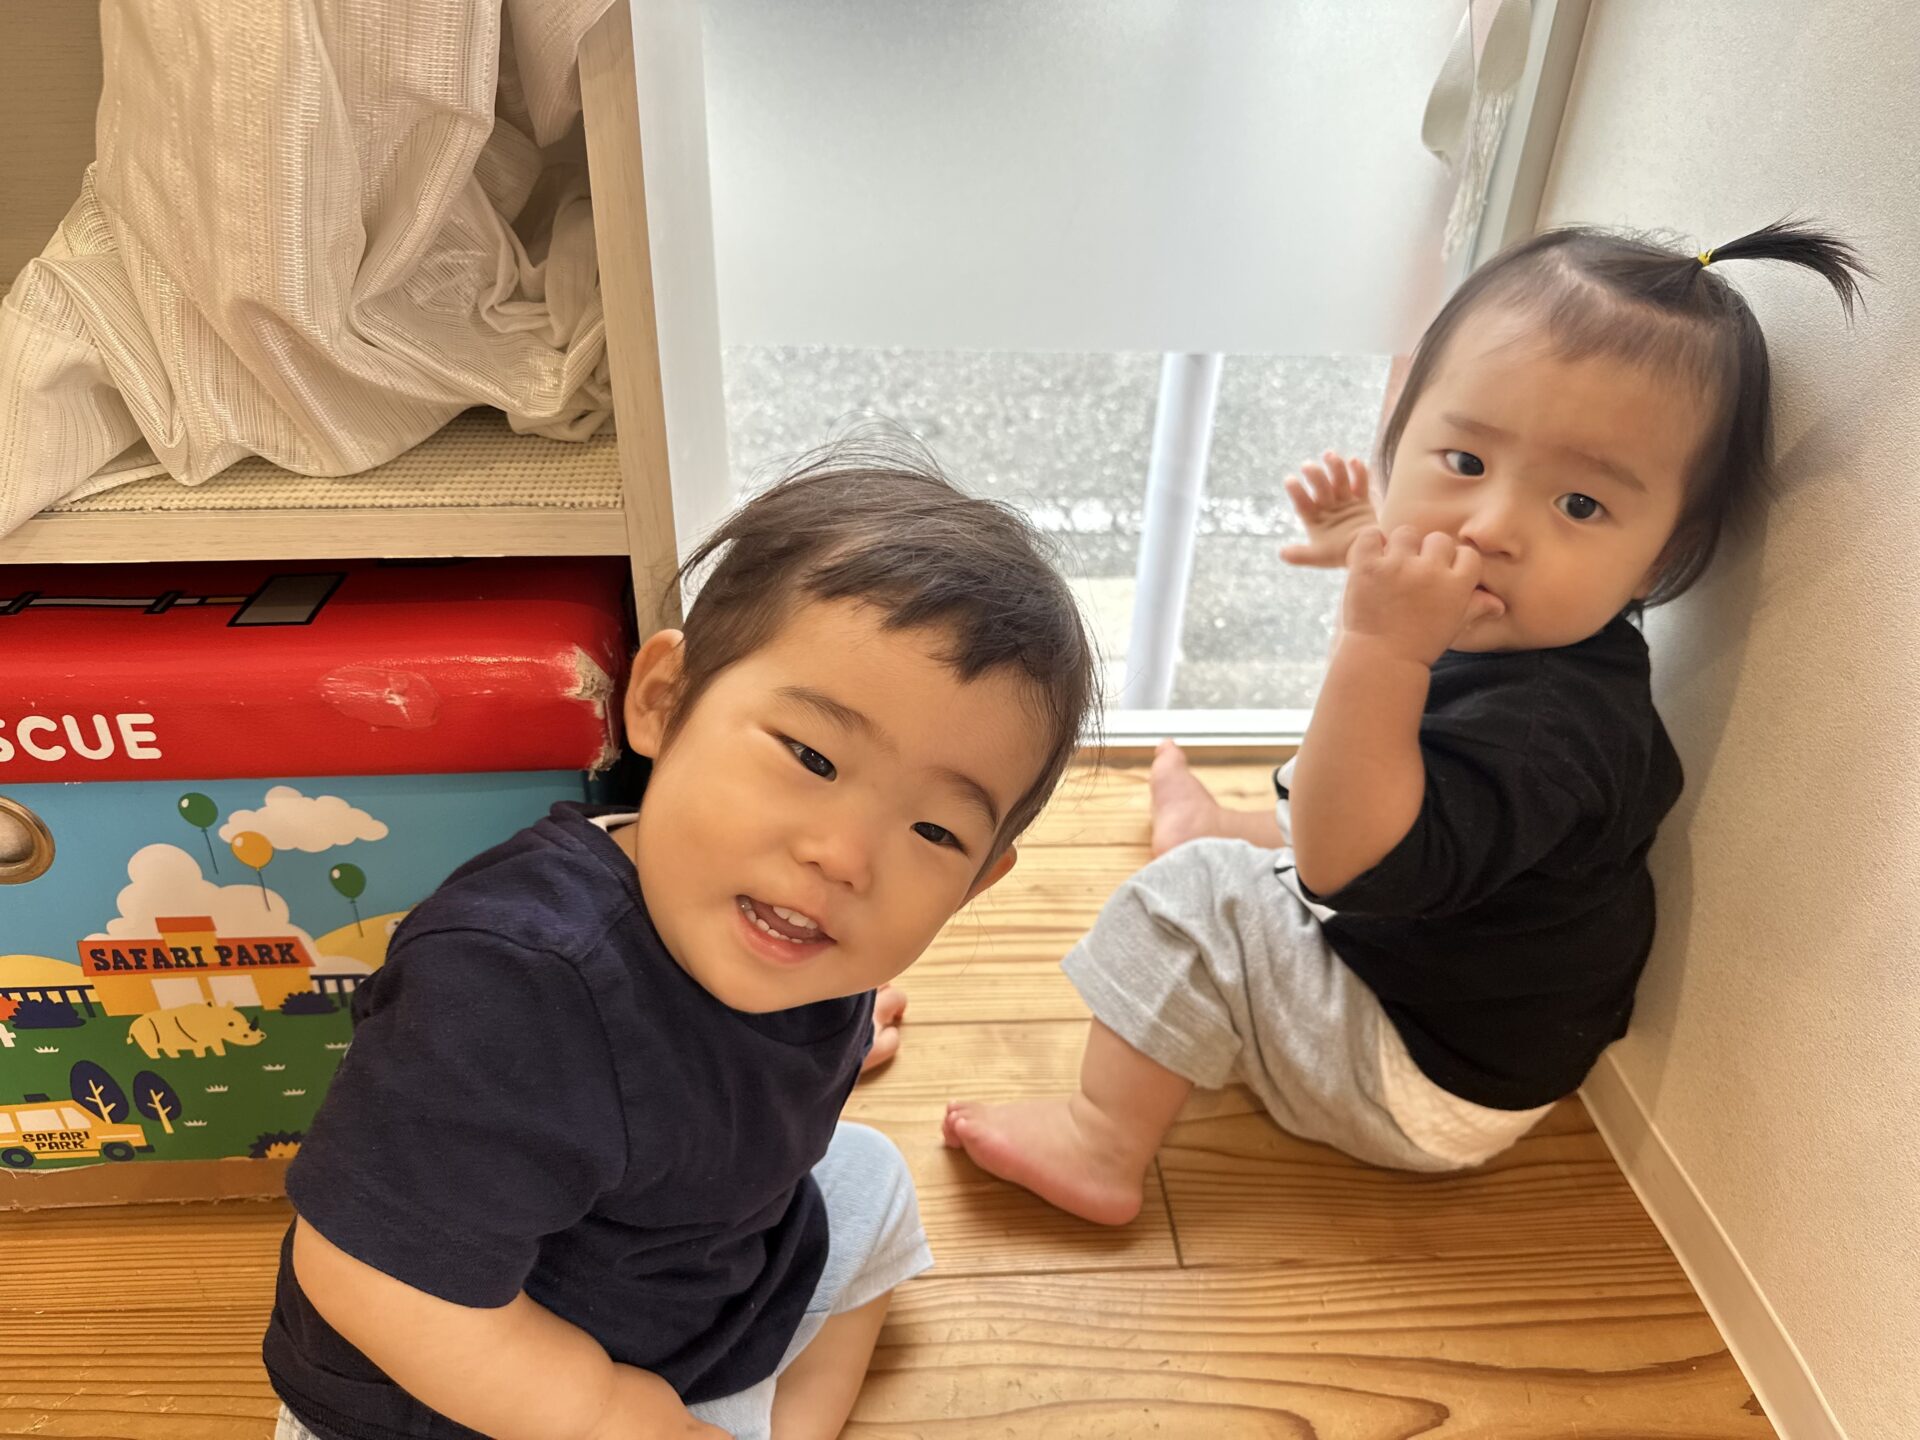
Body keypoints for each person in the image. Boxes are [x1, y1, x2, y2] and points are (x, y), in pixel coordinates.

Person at [942, 220, 1867, 1225]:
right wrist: (1366, 551)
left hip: (1415, 1077)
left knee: (1190, 898)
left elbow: (1347, 861)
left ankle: (1101, 1141)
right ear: (1400, 433)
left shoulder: (1542, 734)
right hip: (1461, 1001)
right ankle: (1231, 838)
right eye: (1464, 459)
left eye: (1579, 504)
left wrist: (1379, 645)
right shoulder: (1557, 640)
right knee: (1352, 775)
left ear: (1662, 556)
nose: (1489, 528)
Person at [263, 437, 1098, 1439]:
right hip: (467, 1381)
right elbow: (364, 1276)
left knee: (873, 1180)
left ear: (977, 883)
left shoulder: (794, 937)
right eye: (812, 757)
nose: (843, 857)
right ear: (663, 700)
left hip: (697, 1277)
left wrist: (811, 1042)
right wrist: (608, 1414)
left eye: (934, 831)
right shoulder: (513, 984)